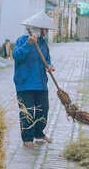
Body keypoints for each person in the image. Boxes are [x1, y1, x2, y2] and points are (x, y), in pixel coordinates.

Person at [12, 12, 58, 148]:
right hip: (25, 83)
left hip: (40, 83)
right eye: (45, 29)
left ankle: (39, 133)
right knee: (27, 111)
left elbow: (47, 59)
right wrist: (28, 44)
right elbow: (16, 56)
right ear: (37, 29)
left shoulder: (43, 43)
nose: (47, 32)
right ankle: (27, 139)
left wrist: (49, 66)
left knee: (43, 109)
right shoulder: (22, 40)